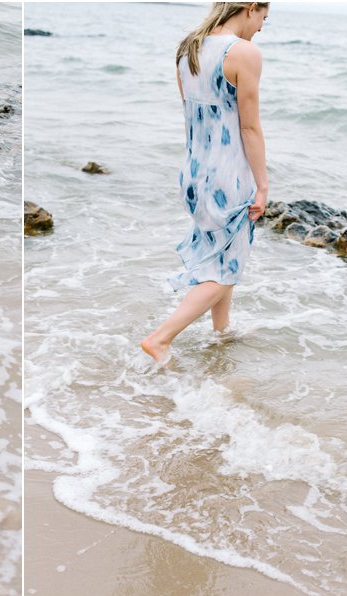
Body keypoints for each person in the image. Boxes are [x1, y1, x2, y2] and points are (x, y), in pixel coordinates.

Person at [142, 2, 270, 365]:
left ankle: (222, 332)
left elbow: (190, 113)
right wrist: (262, 184)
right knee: (226, 271)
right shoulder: (244, 53)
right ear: (249, 8)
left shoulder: (188, 48)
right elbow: (249, 127)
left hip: (195, 171)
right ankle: (160, 339)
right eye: (264, 18)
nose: (261, 27)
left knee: (220, 256)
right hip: (229, 174)